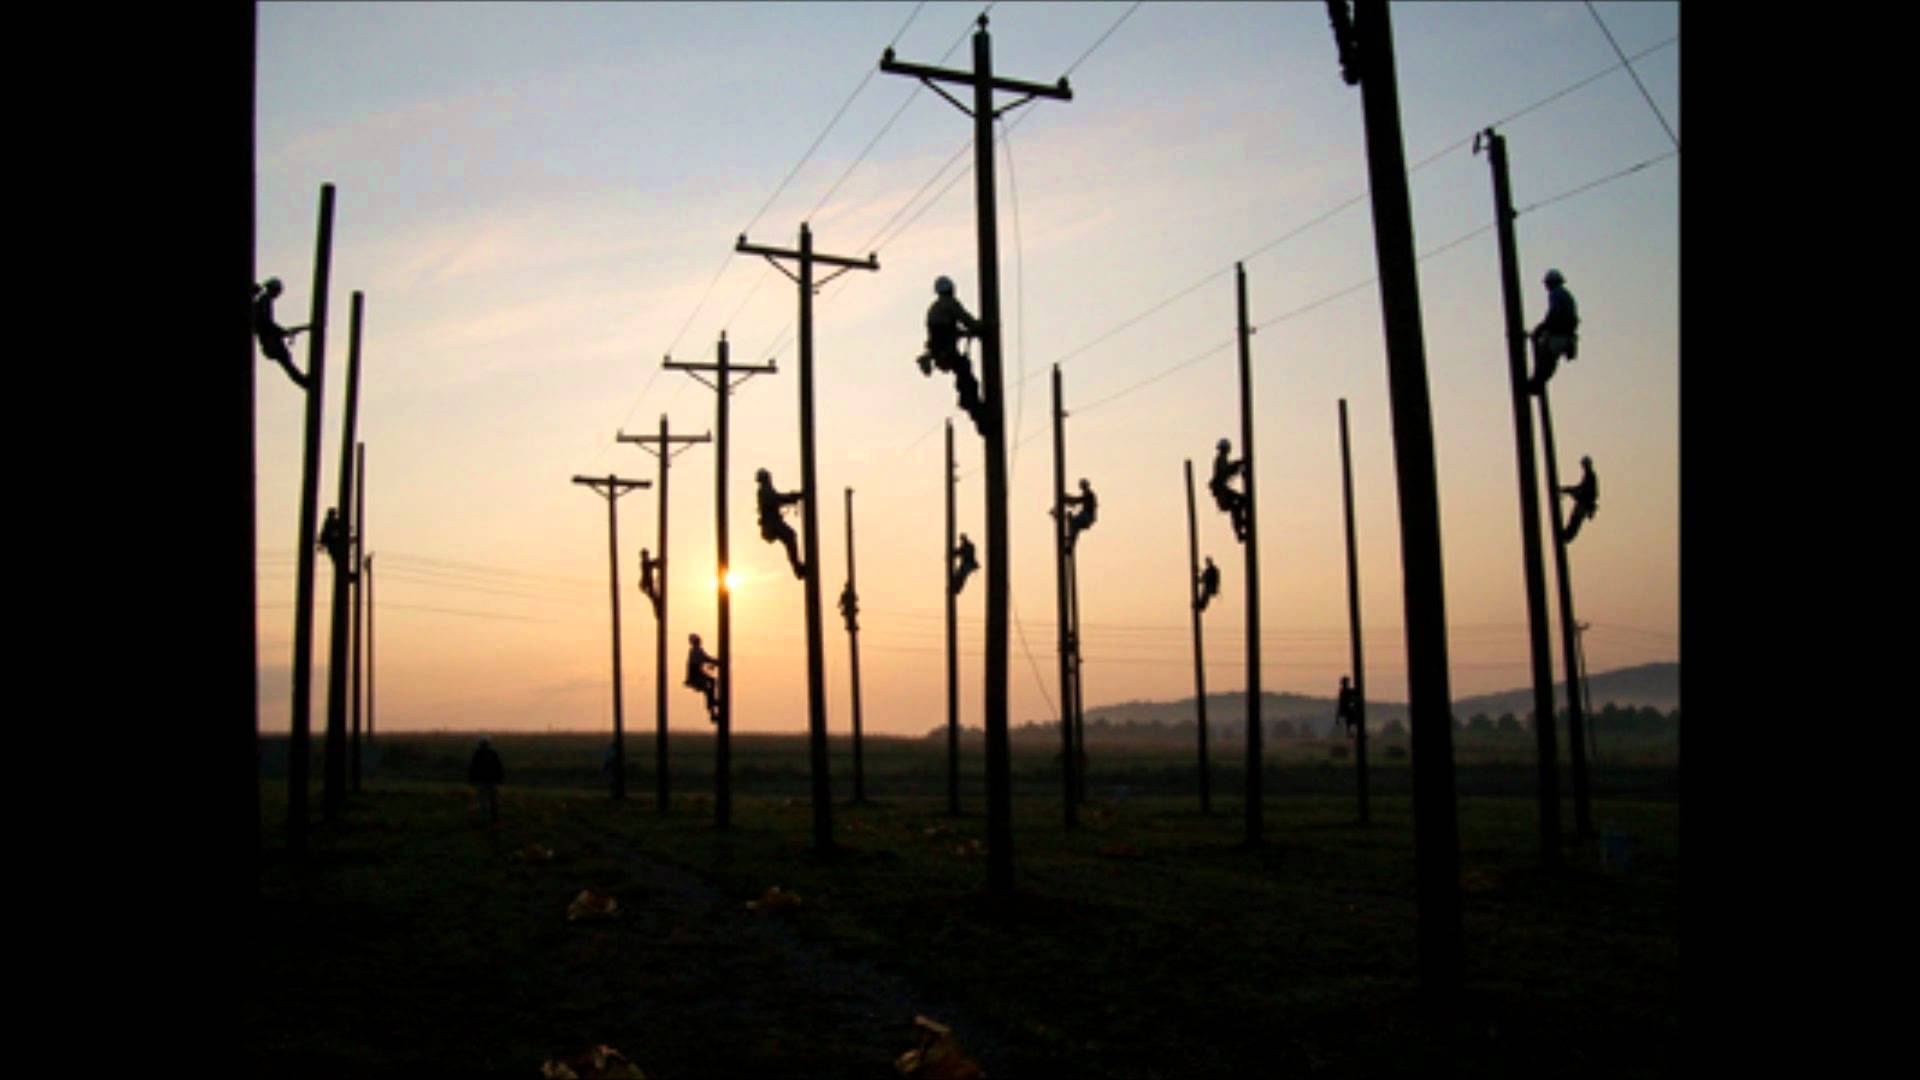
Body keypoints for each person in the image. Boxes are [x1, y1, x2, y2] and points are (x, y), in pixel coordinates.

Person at [917, 276, 985, 432]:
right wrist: (979, 327)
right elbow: (965, 319)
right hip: (945, 351)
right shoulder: (950, 304)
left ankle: (970, 404)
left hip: (940, 352)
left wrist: (966, 332)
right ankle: (973, 408)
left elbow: (945, 331)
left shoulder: (934, 309)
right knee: (966, 375)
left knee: (963, 372)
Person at [253, 278, 312, 390]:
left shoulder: (264, 300)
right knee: (286, 361)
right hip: (269, 339)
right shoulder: (265, 300)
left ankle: (304, 382)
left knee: (286, 361)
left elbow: (265, 323)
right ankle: (304, 382)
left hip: (269, 338)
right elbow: (265, 322)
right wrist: (281, 332)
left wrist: (282, 332)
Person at [1528, 268, 1580, 395]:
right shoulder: (1565, 295)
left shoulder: (1556, 294)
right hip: (1565, 335)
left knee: (1545, 357)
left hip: (1559, 334)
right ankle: (1538, 382)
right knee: (1549, 360)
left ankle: (1536, 383)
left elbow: (1554, 314)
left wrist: (1541, 328)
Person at [755, 468, 806, 579]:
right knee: (790, 536)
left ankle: (798, 568)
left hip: (772, 524)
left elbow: (777, 499)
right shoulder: (764, 491)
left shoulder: (766, 490)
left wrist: (792, 497)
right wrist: (793, 497)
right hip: (772, 524)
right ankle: (798, 568)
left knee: (790, 537)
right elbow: (777, 499)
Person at [1209, 439, 1249, 542]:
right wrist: (1238, 464)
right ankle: (1241, 526)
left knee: (1239, 504)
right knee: (1239, 503)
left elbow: (1228, 471)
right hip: (1222, 493)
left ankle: (1241, 526)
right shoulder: (1220, 460)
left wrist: (1238, 465)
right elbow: (1226, 472)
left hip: (1223, 491)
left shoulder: (1221, 459)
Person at [1560, 455, 1599, 543]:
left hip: (1584, 502)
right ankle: (1566, 535)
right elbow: (1581, 487)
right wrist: (1568, 490)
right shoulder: (1589, 475)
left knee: (1575, 521)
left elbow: (1586, 490)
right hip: (1584, 501)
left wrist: (1569, 490)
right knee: (1574, 520)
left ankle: (1566, 536)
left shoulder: (1590, 476)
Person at [684, 633, 722, 721]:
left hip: (698, 675)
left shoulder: (696, 651)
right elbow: (705, 659)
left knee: (709, 687)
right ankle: (712, 705)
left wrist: (715, 662)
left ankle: (712, 710)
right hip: (695, 676)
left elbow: (706, 659)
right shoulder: (695, 651)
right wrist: (717, 662)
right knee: (710, 686)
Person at [468, 735, 505, 823]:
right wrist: (500, 778)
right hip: (491, 780)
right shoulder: (492, 753)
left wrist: (472, 779)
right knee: (492, 799)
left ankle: (486, 816)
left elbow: (473, 768)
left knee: (483, 799)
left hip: (483, 780)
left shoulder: (477, 754)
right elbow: (498, 767)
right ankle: (493, 817)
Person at [1062, 479, 1098, 555]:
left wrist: (1067, 498)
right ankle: (1070, 545)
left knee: (1073, 523)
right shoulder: (1087, 494)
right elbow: (1077, 501)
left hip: (1087, 516)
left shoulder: (1089, 494)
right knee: (1074, 528)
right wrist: (1069, 500)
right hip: (1087, 517)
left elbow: (1078, 500)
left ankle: (1070, 542)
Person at [639, 547, 663, 615]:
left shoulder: (646, 562)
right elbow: (652, 564)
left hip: (648, 584)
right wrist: (660, 561)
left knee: (655, 598)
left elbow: (653, 564)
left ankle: (659, 611)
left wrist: (659, 561)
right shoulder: (644, 563)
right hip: (646, 584)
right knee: (655, 598)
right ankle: (658, 612)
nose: (646, 556)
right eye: (645, 555)